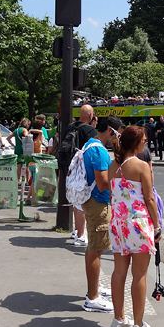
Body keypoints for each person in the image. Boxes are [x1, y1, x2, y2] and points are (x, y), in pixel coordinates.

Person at [108, 125, 160, 327]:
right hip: (138, 224)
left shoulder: (113, 166)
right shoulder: (141, 166)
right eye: (144, 140)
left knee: (119, 273)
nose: (146, 143)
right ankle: (138, 325)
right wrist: (157, 226)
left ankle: (118, 318)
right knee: (139, 275)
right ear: (137, 143)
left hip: (118, 223)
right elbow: (149, 198)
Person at [81, 116, 123, 313]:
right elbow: (103, 182)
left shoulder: (91, 145)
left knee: (95, 247)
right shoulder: (98, 151)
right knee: (96, 248)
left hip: (94, 201)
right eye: (118, 132)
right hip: (98, 202)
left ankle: (94, 288)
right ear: (111, 131)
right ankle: (92, 297)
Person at [63, 105, 98, 247]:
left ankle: (77, 231)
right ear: (90, 115)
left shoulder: (70, 127)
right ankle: (81, 235)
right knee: (81, 203)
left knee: (75, 201)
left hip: (70, 168)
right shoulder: (89, 130)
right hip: (82, 169)